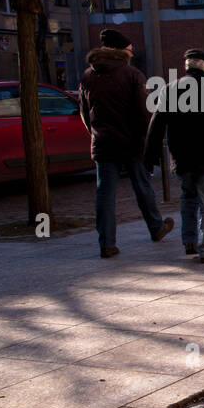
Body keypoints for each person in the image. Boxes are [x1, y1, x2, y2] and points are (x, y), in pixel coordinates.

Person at [79, 29, 173, 258]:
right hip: (131, 141)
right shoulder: (132, 75)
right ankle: (156, 227)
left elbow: (83, 110)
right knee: (142, 186)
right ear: (121, 50)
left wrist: (95, 133)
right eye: (130, 50)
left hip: (103, 141)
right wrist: (149, 140)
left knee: (105, 193)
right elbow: (144, 113)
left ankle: (107, 243)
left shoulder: (88, 75)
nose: (132, 53)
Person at [144, 48, 204, 263]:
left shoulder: (169, 90)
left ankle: (189, 241)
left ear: (186, 67)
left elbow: (156, 126)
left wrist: (150, 157)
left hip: (182, 157)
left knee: (188, 198)